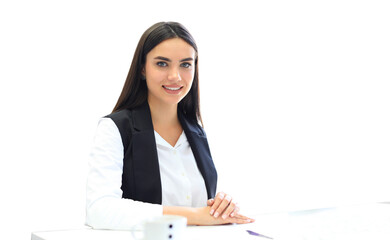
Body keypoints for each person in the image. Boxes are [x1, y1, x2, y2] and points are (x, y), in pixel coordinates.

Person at [86, 21, 255, 229]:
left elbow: (203, 212)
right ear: (142, 69)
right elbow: (99, 210)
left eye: (185, 64)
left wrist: (220, 208)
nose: (175, 76)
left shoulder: (196, 132)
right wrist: (195, 215)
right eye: (162, 64)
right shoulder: (115, 129)